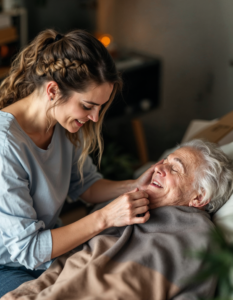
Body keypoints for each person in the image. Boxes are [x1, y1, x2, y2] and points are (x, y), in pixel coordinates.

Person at [0, 29, 154, 297]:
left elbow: (85, 185)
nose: (94, 118)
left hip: (45, 252)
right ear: (52, 90)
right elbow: (28, 249)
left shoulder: (61, 124)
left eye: (99, 108)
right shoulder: (5, 145)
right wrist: (106, 216)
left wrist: (133, 186)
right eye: (87, 106)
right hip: (8, 264)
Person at [3, 139, 233, 300]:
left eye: (175, 168)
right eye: (164, 161)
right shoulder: (126, 209)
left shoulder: (196, 235)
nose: (159, 168)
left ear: (199, 197)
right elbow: (63, 267)